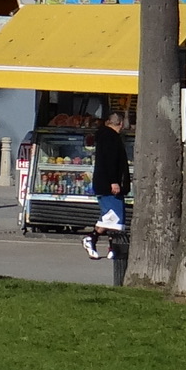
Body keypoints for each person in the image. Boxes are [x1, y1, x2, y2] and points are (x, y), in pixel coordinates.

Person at [83, 111, 129, 259]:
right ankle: (92, 238)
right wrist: (114, 181)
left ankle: (111, 248)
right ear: (120, 123)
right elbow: (110, 162)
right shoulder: (111, 138)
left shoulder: (103, 136)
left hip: (103, 184)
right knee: (114, 217)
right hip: (109, 186)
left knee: (110, 216)